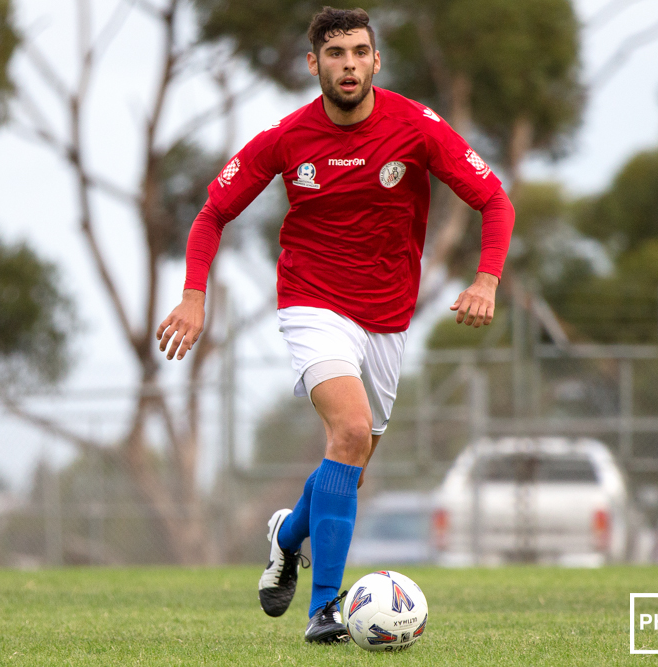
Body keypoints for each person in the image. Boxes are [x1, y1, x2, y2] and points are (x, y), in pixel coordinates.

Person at [156, 6, 514, 644]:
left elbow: (494, 199)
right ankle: (326, 609)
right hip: (312, 302)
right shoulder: (287, 138)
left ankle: (286, 536)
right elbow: (212, 212)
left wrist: (486, 278)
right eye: (335, 53)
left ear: (376, 61)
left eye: (358, 52)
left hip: (388, 317)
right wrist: (193, 296)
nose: (347, 64)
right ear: (314, 64)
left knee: (352, 460)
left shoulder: (417, 127)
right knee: (348, 429)